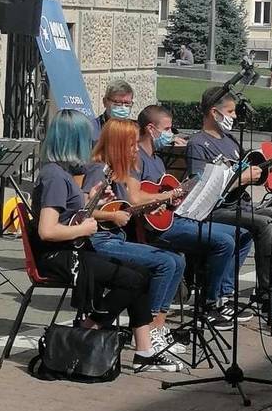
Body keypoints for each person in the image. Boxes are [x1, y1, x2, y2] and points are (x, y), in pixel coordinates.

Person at [32, 109, 176, 373]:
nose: (91, 146)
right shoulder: (54, 176)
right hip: (60, 255)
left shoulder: (62, 173)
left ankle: (143, 350)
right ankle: (92, 325)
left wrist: (96, 199)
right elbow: (48, 231)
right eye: (86, 140)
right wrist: (86, 227)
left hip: (74, 248)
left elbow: (72, 213)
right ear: (73, 141)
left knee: (139, 273)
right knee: (136, 278)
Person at [186, 87, 272, 316]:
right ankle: (265, 296)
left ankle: (269, 288)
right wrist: (238, 180)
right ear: (214, 112)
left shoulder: (230, 140)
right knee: (263, 225)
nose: (234, 117)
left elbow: (257, 171)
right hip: (216, 209)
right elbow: (198, 188)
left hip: (241, 205)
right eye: (230, 112)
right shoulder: (198, 143)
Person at [136, 105, 253, 329]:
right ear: (151, 129)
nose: (172, 135)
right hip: (159, 228)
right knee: (224, 241)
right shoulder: (137, 158)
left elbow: (166, 194)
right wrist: (168, 196)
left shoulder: (159, 159)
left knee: (242, 233)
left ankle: (222, 294)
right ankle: (209, 303)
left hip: (174, 217)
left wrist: (180, 195)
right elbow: (136, 195)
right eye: (167, 129)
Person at [83, 118, 186, 356]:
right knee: (165, 262)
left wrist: (149, 208)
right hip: (100, 241)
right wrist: (112, 216)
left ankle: (157, 326)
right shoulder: (98, 170)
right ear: (118, 144)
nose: (136, 148)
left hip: (115, 238)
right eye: (131, 144)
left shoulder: (118, 172)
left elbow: (125, 205)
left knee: (177, 260)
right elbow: (83, 209)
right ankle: (148, 329)